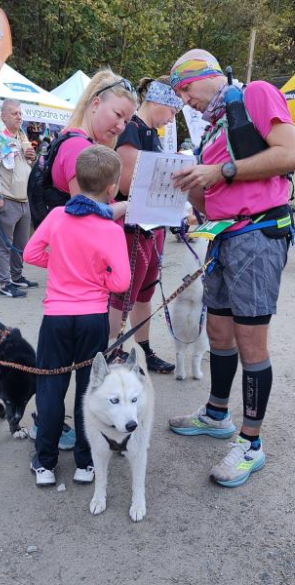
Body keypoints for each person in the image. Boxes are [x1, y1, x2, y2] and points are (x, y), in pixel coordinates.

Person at [167, 49, 295, 487]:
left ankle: (251, 444)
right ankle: (216, 414)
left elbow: (289, 156)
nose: (183, 98)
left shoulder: (256, 94)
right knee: (219, 333)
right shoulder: (210, 133)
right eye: (177, 93)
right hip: (222, 238)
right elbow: (211, 202)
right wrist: (188, 189)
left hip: (258, 236)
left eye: (185, 87)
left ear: (207, 75)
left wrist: (220, 171)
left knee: (250, 340)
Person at [23, 146, 131, 487]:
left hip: (55, 317)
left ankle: (45, 463)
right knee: (90, 389)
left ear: (76, 180)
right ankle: (86, 463)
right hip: (92, 317)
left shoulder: (56, 217)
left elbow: (30, 253)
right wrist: (98, 278)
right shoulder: (111, 229)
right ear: (112, 188)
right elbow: (122, 281)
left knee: (50, 387)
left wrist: (56, 265)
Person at [108, 76, 183, 374]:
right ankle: (112, 349)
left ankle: (143, 349)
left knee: (145, 292)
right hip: (131, 225)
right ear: (159, 101)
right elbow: (124, 183)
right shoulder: (132, 130)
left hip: (153, 225)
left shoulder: (152, 132)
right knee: (123, 293)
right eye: (173, 112)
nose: (172, 118)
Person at [42, 69, 138, 218]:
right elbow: (87, 217)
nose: (121, 126)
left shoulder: (72, 139)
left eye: (126, 121)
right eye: (118, 114)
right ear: (96, 104)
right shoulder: (79, 148)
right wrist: (125, 206)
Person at [0, 99, 38, 298]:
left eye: (20, 113)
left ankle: (17, 276)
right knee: (4, 245)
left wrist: (32, 157)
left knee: (20, 244)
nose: (19, 116)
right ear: (3, 116)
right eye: (14, 113)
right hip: (5, 199)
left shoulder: (22, 138)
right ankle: (5, 284)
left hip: (23, 200)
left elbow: (26, 167)